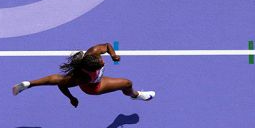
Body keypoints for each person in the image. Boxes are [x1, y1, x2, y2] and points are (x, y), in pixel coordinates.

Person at [10, 43, 155, 107]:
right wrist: (71, 97)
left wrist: (113, 54)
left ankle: (28, 84)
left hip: (89, 77)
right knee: (127, 83)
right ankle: (136, 95)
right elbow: (61, 86)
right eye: (100, 65)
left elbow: (107, 45)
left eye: (101, 62)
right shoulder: (83, 77)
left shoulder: (94, 52)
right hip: (94, 86)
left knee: (60, 79)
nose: (103, 64)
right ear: (89, 69)